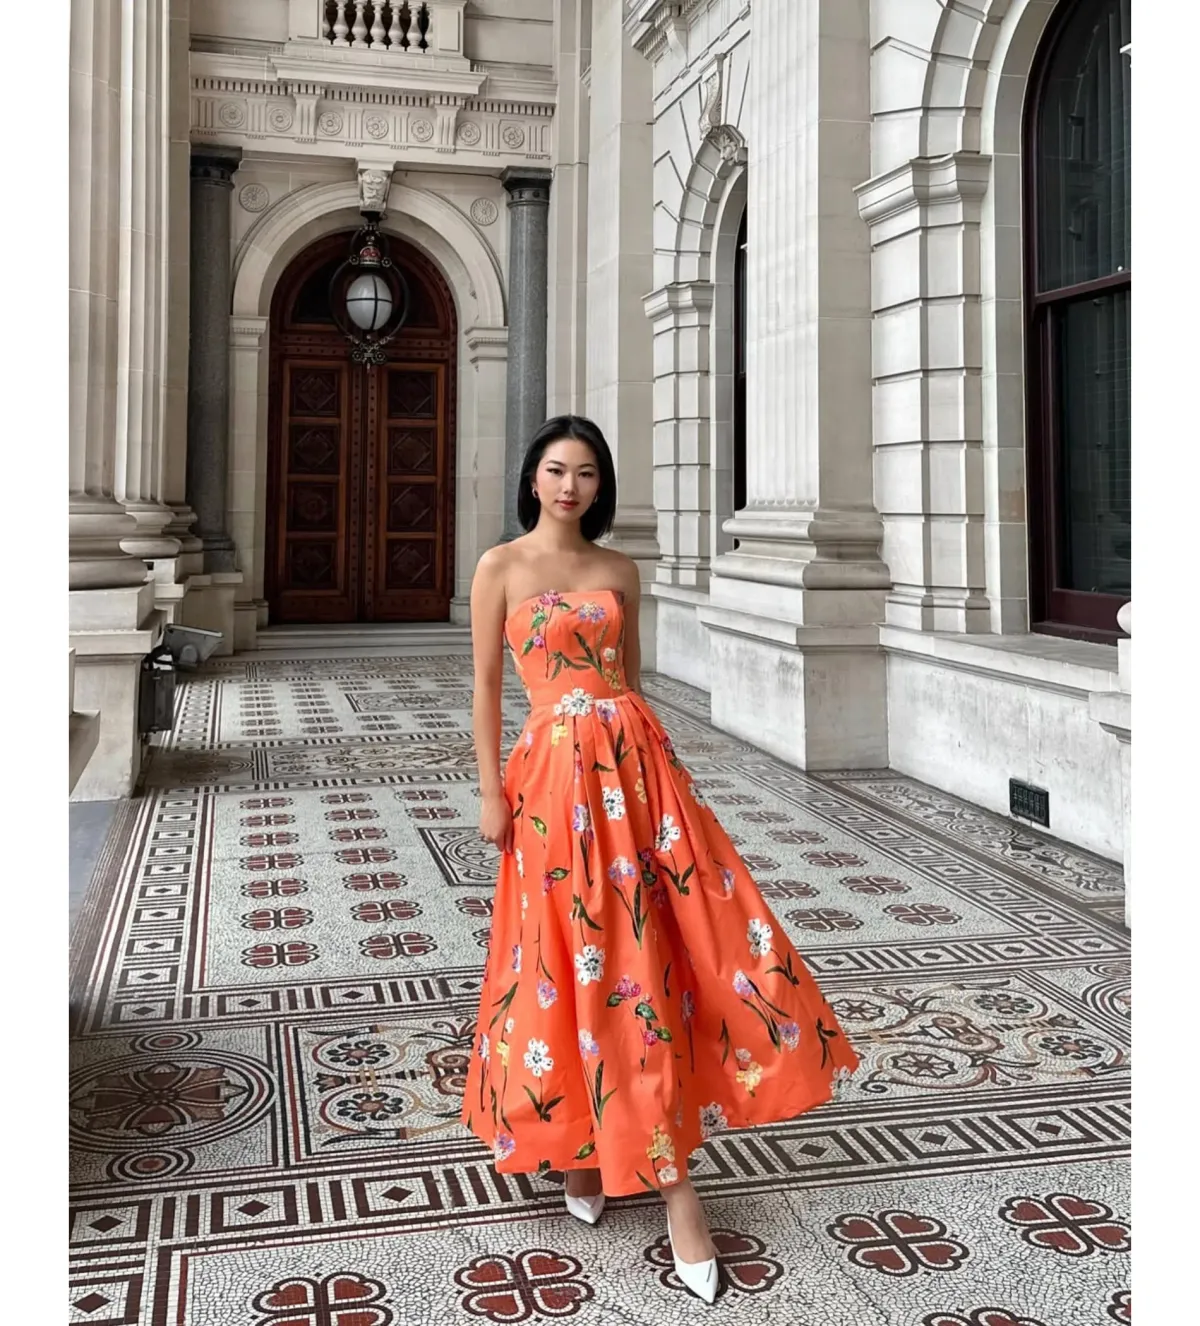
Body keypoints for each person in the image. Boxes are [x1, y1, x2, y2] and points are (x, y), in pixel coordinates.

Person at [462, 415, 859, 1304]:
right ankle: (585, 1147)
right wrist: (492, 793)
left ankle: (660, 1175)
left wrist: (659, 781)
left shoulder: (620, 571)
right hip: (551, 785)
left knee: (666, 953)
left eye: (586, 473)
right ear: (532, 479)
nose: (570, 486)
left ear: (601, 485)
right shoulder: (501, 567)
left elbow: (629, 683)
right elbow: (485, 686)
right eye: (556, 470)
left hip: (637, 778)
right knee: (571, 958)